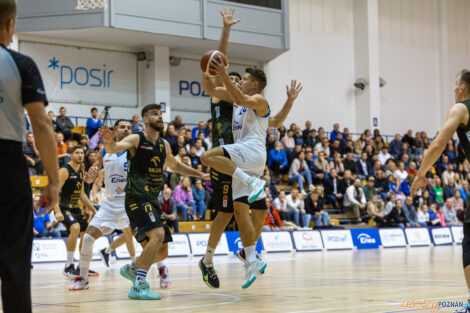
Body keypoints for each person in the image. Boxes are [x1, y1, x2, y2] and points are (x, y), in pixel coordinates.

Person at [198, 8, 301, 290]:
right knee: (238, 211)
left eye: (238, 77)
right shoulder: (231, 104)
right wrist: (224, 37)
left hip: (242, 156)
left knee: (241, 207)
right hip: (237, 159)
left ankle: (230, 253)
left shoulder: (249, 99)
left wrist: (288, 102)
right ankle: (251, 257)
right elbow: (212, 83)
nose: (235, 79)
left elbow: (262, 111)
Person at [100, 103, 207, 300]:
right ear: (146, 120)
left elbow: (175, 165)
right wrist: (108, 142)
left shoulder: (164, 145)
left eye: (160, 113)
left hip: (152, 201)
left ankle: (133, 268)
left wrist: (198, 174)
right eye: (155, 114)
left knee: (162, 252)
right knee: (157, 234)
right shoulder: (136, 138)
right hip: (136, 198)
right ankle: (139, 285)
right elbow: (115, 148)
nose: (160, 117)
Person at [411, 70, 470, 313]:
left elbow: (437, 144)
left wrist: (421, 175)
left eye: (456, 85)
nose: (454, 89)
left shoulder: (460, 109)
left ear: (463, 88)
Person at [69, 120, 142, 291]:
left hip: (129, 202)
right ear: (115, 130)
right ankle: (83, 279)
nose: (126, 129)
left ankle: (156, 270)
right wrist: (90, 176)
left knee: (140, 239)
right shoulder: (104, 151)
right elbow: (89, 178)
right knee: (87, 238)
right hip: (109, 204)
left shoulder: (134, 150)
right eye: (122, 127)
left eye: (129, 127)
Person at [53, 146, 98, 278]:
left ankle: (82, 266)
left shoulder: (81, 170)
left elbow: (82, 194)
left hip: (75, 209)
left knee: (87, 234)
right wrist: (57, 211)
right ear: (71, 155)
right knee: (75, 227)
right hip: (63, 208)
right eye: (77, 153)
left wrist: (93, 209)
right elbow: (55, 191)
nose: (80, 155)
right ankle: (68, 265)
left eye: (82, 153)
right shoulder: (64, 170)